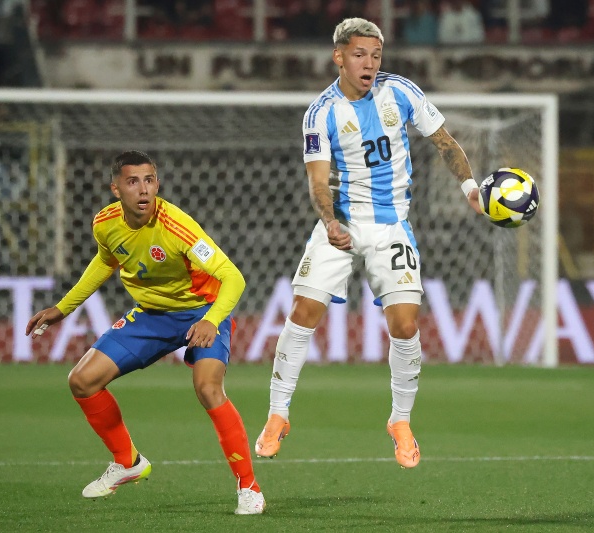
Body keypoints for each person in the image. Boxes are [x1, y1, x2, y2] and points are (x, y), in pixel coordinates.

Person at [254, 18, 482, 469]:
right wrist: (329, 221)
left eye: (376, 55)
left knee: (405, 325)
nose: (370, 64)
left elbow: (444, 142)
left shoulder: (400, 91)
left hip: (391, 227)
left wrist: (470, 188)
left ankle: (400, 421)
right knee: (303, 311)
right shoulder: (321, 113)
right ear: (339, 57)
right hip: (341, 224)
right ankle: (277, 414)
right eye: (360, 55)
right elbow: (317, 181)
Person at [24, 151, 265, 515]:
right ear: (116, 189)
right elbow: (105, 260)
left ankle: (249, 488)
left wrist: (212, 320)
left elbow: (233, 277)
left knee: (208, 388)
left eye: (149, 180)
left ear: (157, 184)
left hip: (201, 311)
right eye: (133, 182)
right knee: (82, 380)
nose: (143, 190)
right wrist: (63, 308)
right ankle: (128, 462)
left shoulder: (177, 227)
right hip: (151, 316)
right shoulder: (104, 223)